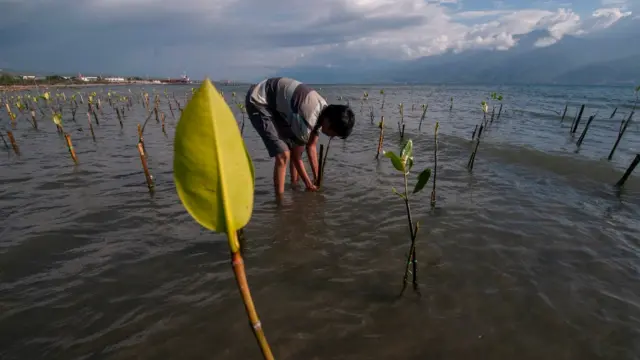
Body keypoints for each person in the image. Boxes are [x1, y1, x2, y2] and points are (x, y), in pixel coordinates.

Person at [245, 77, 355, 199]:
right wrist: (309, 184)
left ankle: (294, 187)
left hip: (275, 104)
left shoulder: (323, 110)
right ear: (329, 122)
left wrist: (317, 178)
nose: (332, 136)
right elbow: (297, 158)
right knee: (283, 155)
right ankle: (280, 203)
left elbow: (311, 146)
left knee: (293, 147)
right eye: (334, 133)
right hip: (258, 101)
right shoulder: (308, 118)